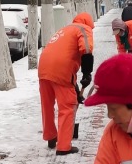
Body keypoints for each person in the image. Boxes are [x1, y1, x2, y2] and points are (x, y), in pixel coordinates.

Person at [37, 12, 95, 155]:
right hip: (61, 70)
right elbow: (86, 51)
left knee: (47, 104)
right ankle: (63, 146)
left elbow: (65, 55)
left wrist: (75, 89)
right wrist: (87, 73)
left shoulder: (64, 29)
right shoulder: (83, 29)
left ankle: (51, 137)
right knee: (67, 107)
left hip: (44, 68)